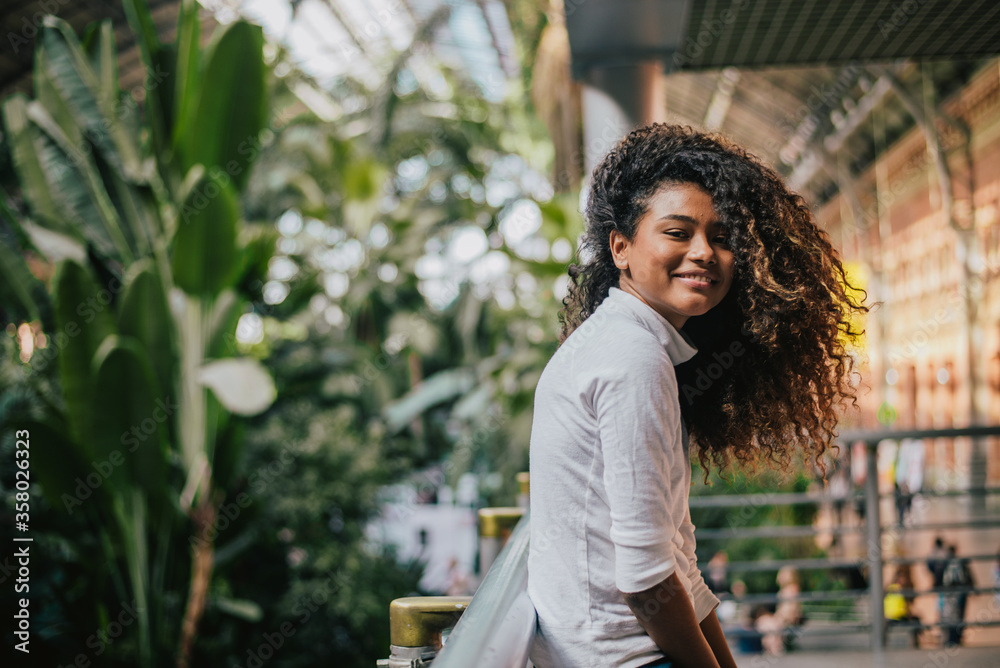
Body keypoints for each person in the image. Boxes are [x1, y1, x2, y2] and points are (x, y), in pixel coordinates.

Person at [527, 124, 867, 668]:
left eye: (724, 236)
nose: (705, 252)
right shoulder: (632, 359)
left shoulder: (633, 344)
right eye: (678, 232)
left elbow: (674, 552)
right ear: (621, 247)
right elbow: (643, 582)